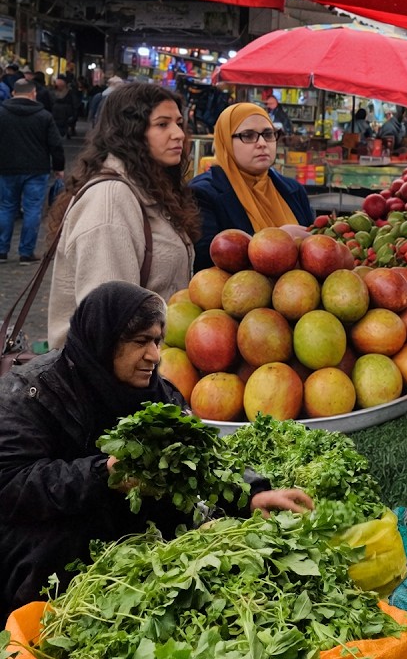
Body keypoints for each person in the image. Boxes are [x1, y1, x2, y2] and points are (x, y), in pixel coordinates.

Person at [0, 281, 315, 618]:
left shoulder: (158, 394)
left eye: (157, 341)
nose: (154, 355)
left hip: (125, 542)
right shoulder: (31, 391)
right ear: (103, 341)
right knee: (57, 551)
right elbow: (10, 483)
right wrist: (103, 474)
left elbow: (200, 457)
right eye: (140, 342)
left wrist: (250, 493)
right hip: (44, 548)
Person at [46, 83, 200, 349]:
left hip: (153, 371)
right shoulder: (110, 200)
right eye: (162, 125)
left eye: (179, 122)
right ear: (131, 133)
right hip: (115, 381)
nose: (179, 134)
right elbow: (109, 322)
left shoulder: (150, 188)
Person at [189, 103, 316, 271]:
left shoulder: (292, 189)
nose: (262, 143)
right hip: (236, 294)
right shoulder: (203, 193)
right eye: (248, 136)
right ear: (226, 140)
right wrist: (278, 238)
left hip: (299, 292)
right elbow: (205, 260)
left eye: (268, 134)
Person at [0, 80, 65, 264]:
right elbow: (55, 144)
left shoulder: (2, 113)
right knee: (33, 209)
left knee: (5, 208)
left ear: (13, 93)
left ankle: (2, 250)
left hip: (6, 167)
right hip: (36, 169)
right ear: (33, 93)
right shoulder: (44, 116)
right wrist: (59, 167)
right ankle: (26, 253)